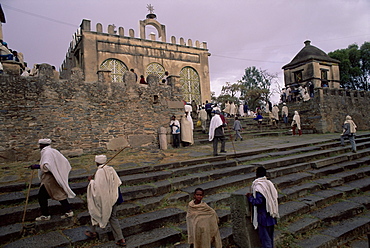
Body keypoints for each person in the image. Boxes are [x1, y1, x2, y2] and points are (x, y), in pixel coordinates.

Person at [29, 139, 75, 221]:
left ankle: (45, 215)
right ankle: (68, 210)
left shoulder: (47, 152)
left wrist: (37, 166)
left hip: (50, 178)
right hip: (54, 176)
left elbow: (47, 166)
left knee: (42, 196)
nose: (39, 146)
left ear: (42, 145)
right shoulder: (53, 151)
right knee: (58, 193)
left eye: (40, 145)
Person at [85, 155, 126, 247]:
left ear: (96, 162)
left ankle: (94, 232)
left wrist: (91, 181)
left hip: (106, 198)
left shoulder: (100, 172)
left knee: (95, 210)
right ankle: (120, 239)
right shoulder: (110, 169)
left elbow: (98, 189)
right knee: (112, 217)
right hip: (114, 196)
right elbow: (118, 182)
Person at [246, 166, 279, 248]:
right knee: (270, 239)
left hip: (263, 217)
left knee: (265, 241)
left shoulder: (259, 186)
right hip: (271, 215)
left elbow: (258, 201)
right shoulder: (269, 184)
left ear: (257, 174)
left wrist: (250, 198)